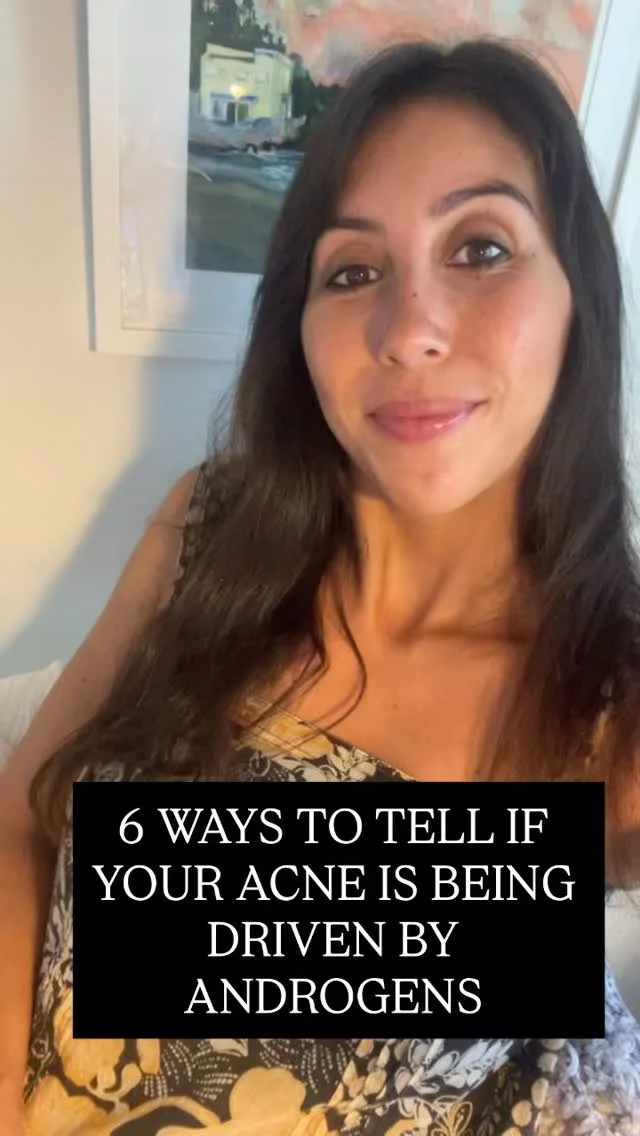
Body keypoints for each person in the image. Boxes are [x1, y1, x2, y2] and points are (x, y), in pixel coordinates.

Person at [1, 36, 639, 1136]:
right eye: (351, 271)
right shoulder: (212, 528)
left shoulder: (605, 701)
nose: (410, 329)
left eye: (482, 248)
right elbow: (23, 821)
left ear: (579, 297)